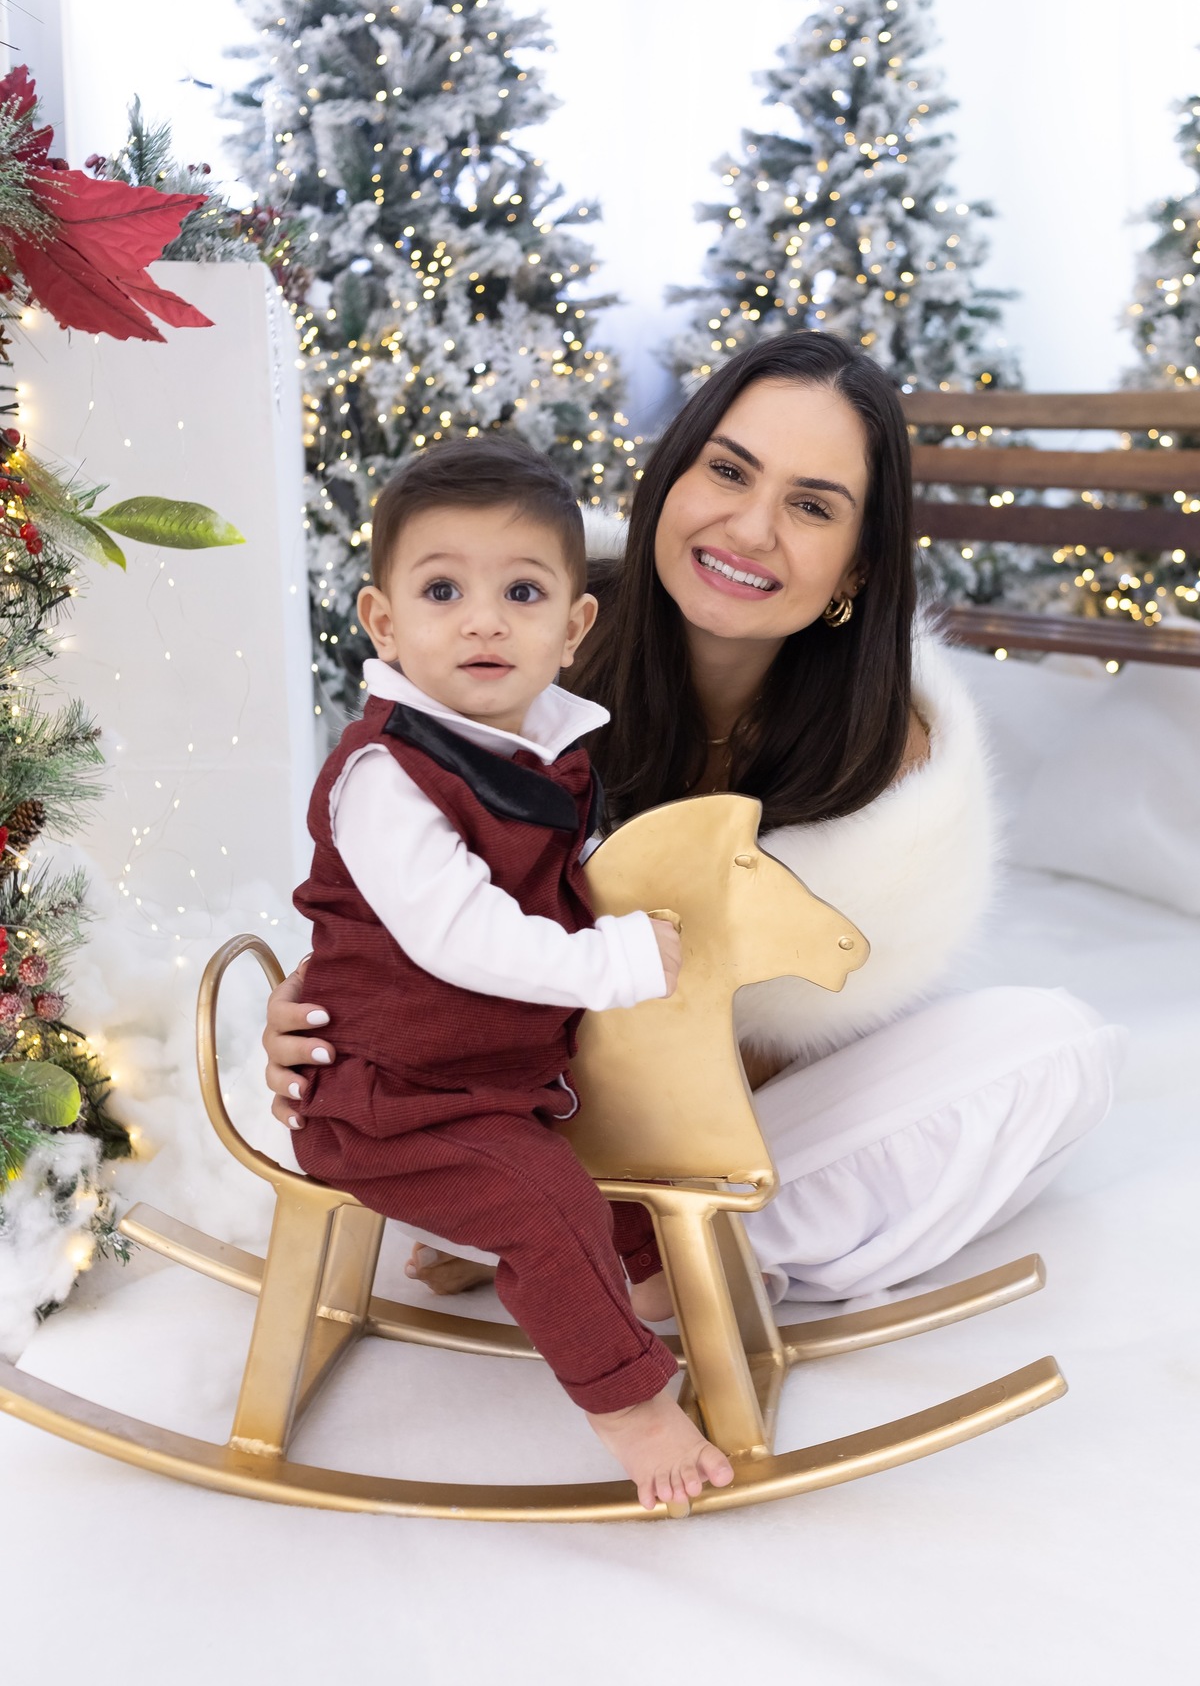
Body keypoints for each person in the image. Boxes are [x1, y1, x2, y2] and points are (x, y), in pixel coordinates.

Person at [266, 331, 1123, 1312]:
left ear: (851, 570)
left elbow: (779, 1047)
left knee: (1057, 1049)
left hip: (701, 1128)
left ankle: (625, 1250)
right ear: (671, 479)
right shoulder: (527, 648)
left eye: (810, 505)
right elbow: (403, 875)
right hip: (478, 1103)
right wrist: (319, 1015)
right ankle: (585, 1235)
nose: (753, 529)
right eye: (728, 470)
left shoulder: (888, 753)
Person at [288, 434, 733, 1510]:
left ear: (573, 627)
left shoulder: (543, 750)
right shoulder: (388, 774)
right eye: (443, 589)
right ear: (385, 622)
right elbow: (461, 935)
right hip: (390, 1096)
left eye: (522, 591)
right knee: (548, 1205)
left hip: (495, 1080)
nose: (483, 619)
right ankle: (631, 1406)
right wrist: (613, 962)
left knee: (610, 1167)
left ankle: (644, 1286)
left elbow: (562, 872)